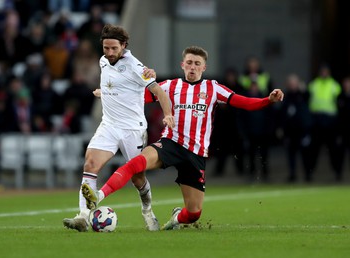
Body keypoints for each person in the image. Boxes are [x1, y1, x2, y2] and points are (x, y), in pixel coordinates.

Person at [81, 46, 284, 230]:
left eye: (197, 64)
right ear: (182, 65)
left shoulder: (213, 88)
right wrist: (110, 93)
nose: (192, 67)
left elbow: (244, 102)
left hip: (195, 154)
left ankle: (177, 218)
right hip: (170, 143)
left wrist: (268, 100)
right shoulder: (169, 86)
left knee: (194, 213)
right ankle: (98, 195)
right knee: (136, 163)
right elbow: (138, 97)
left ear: (204, 67)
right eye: (189, 63)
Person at [62, 24, 174, 232]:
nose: (110, 53)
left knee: (138, 178)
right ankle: (83, 216)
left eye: (114, 48)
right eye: (106, 48)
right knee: (90, 164)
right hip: (109, 125)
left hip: (133, 129)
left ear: (123, 45)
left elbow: (160, 93)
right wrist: (103, 93)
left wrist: (167, 115)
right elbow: (117, 87)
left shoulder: (135, 66)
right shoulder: (103, 61)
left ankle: (147, 210)